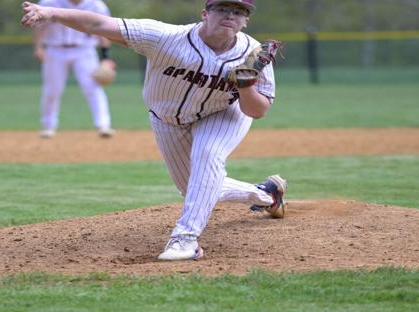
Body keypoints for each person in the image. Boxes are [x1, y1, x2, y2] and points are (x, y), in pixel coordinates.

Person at [21, 0, 287, 262]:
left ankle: (185, 239)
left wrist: (245, 86)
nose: (230, 15)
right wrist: (49, 12)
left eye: (239, 11)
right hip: (167, 118)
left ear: (246, 21)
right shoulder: (166, 37)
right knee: (193, 187)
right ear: (205, 14)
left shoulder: (252, 53)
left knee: (207, 156)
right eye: (222, 8)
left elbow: (257, 111)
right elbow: (98, 24)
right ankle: (267, 194)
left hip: (223, 113)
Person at [32, 0, 114, 139]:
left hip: (85, 50)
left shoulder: (96, 5)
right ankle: (48, 126)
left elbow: (104, 30)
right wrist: (38, 48)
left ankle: (103, 125)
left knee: (92, 87)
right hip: (55, 49)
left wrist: (106, 56)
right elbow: (40, 27)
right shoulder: (49, 2)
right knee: (52, 90)